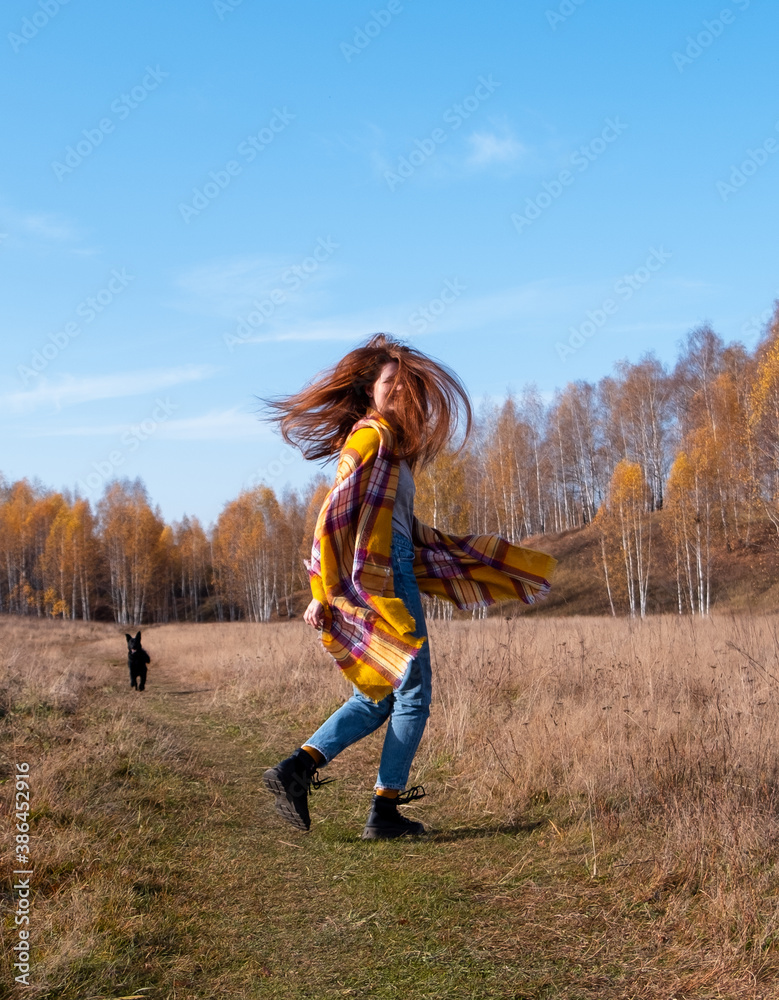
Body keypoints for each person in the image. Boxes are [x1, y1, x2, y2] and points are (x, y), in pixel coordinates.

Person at [261, 333, 556, 839]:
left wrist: (465, 557)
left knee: (377, 693)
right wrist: (320, 589)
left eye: (403, 384)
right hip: (383, 575)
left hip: (384, 566)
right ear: (369, 390)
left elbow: (388, 525)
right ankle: (383, 810)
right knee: (413, 693)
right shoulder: (371, 439)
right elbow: (334, 517)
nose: (398, 391)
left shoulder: (385, 444)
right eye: (388, 383)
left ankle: (298, 770)